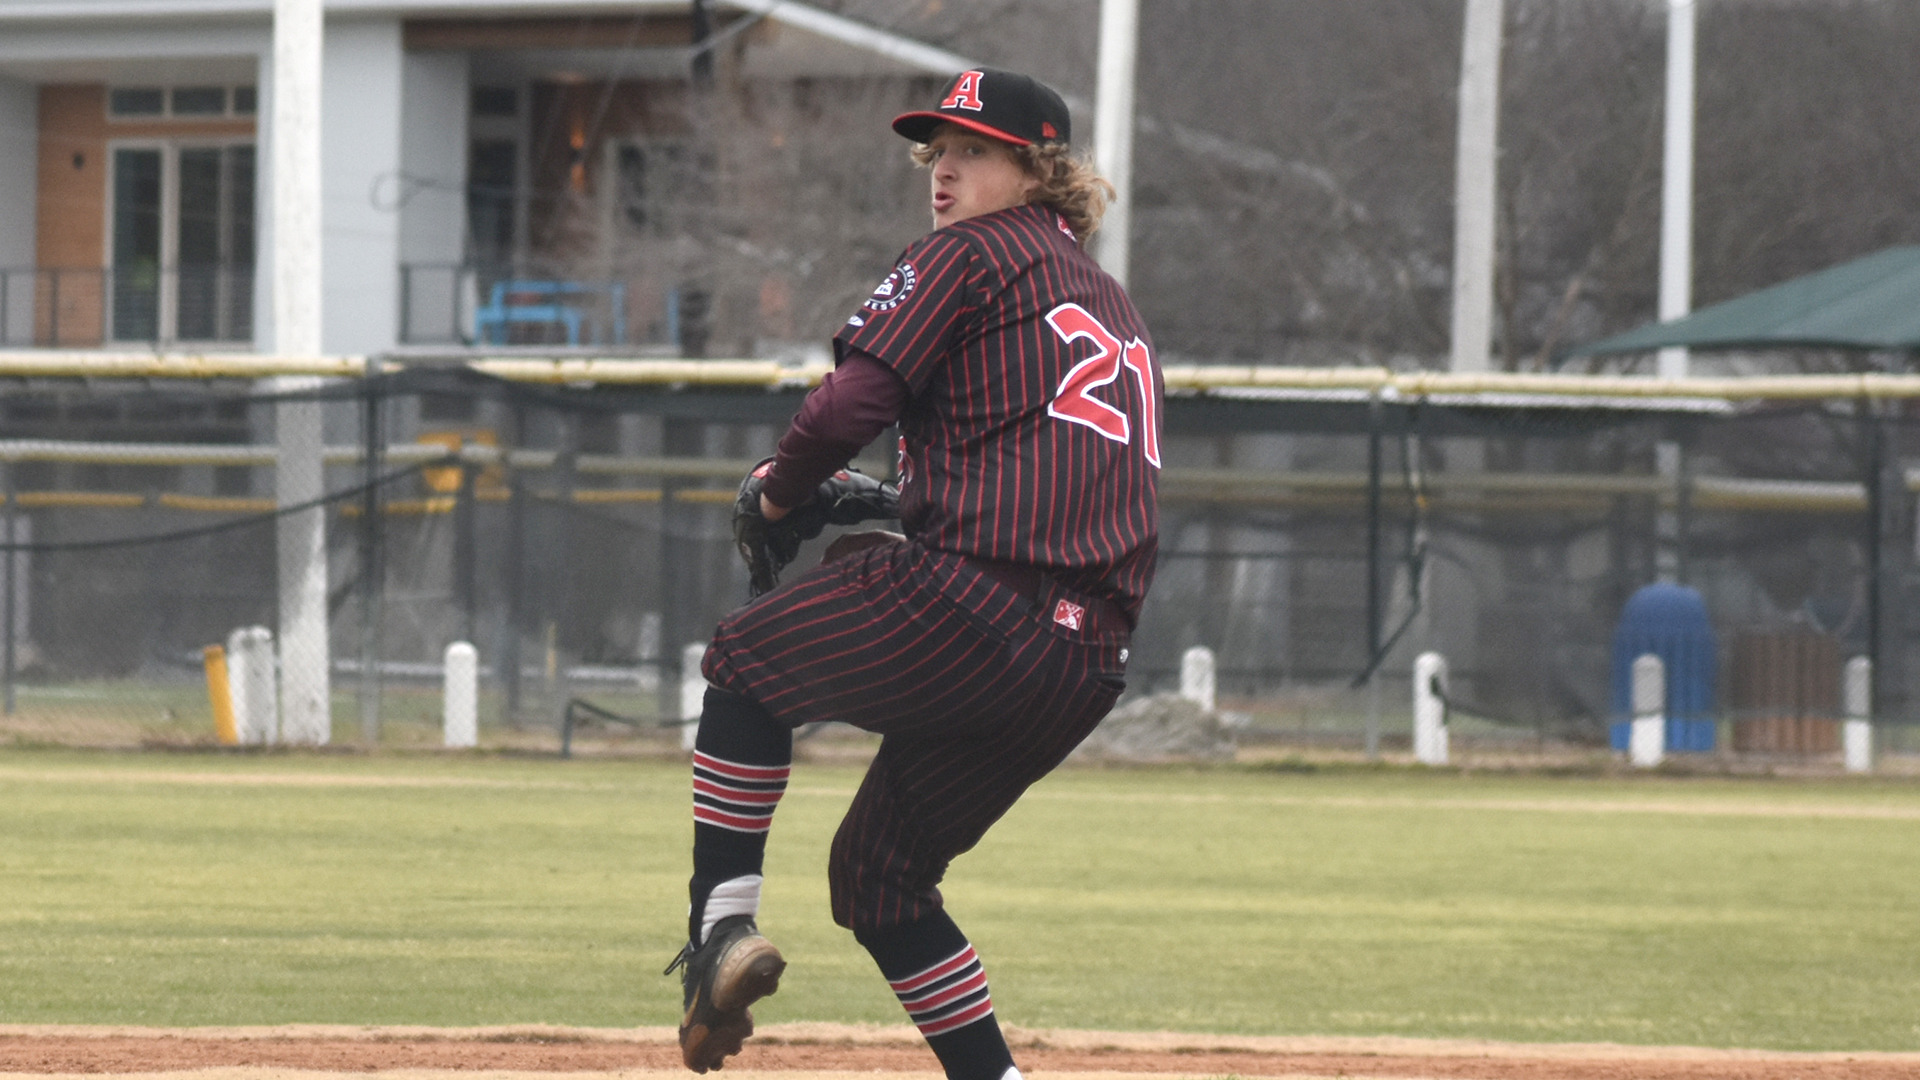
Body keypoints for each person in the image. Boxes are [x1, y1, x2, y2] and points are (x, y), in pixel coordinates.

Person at [666, 68, 1161, 1080]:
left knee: (744, 662)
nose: (944, 173)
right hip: (1082, 664)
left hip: (978, 609)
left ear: (1039, 169)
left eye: (973, 151)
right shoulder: (1112, 304)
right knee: (882, 880)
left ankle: (720, 931)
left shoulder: (968, 256)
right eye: (937, 152)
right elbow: (1045, 481)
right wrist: (883, 500)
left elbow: (846, 406)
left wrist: (780, 491)